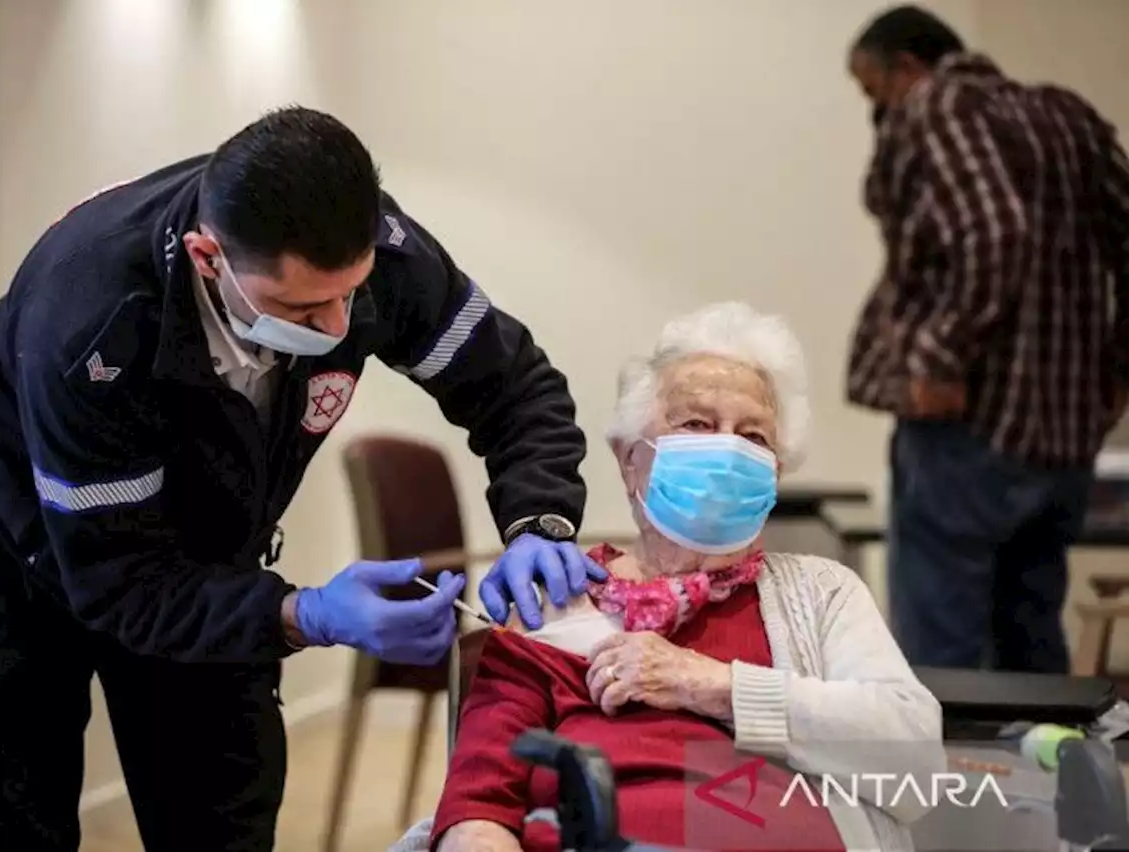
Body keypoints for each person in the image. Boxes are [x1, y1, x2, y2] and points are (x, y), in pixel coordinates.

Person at [0, 106, 607, 852]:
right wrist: (307, 614)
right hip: (21, 545)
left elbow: (516, 391)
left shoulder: (379, 258)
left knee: (224, 799)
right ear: (209, 259)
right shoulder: (88, 319)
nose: (337, 326)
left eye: (350, 294)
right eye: (302, 307)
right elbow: (123, 584)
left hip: (203, 543)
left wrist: (541, 522)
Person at [396, 303, 942, 852]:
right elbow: (478, 814)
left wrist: (710, 684)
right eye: (696, 424)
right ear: (630, 458)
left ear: (776, 472)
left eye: (753, 436)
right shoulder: (557, 604)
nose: (726, 449)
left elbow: (915, 764)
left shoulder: (822, 594)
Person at [845, 5, 1129, 672]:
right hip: (1064, 439)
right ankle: (1049, 772)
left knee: (944, 650)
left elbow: (994, 231)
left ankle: (948, 779)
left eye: (872, 91)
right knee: (1031, 631)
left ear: (908, 67)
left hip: (968, 426)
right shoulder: (1068, 115)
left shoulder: (937, 104)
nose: (876, 113)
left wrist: (939, 358)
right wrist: (1118, 367)